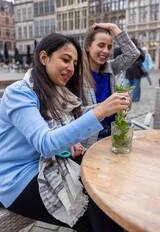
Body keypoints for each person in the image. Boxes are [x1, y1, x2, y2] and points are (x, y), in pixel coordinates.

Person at [0, 32, 130, 232]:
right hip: (16, 179)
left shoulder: (54, 92)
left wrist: (100, 110)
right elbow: (46, 143)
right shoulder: (19, 93)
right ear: (44, 58)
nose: (71, 68)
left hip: (47, 165)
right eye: (65, 59)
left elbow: (63, 122)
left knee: (101, 183)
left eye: (75, 63)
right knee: (97, 210)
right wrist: (100, 110)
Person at [82, 23, 140, 140]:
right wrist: (106, 106)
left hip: (116, 126)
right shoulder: (77, 74)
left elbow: (133, 54)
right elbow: (74, 113)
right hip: (93, 133)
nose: (105, 51)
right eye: (101, 45)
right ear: (88, 47)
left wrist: (114, 28)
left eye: (109, 47)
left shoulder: (110, 67)